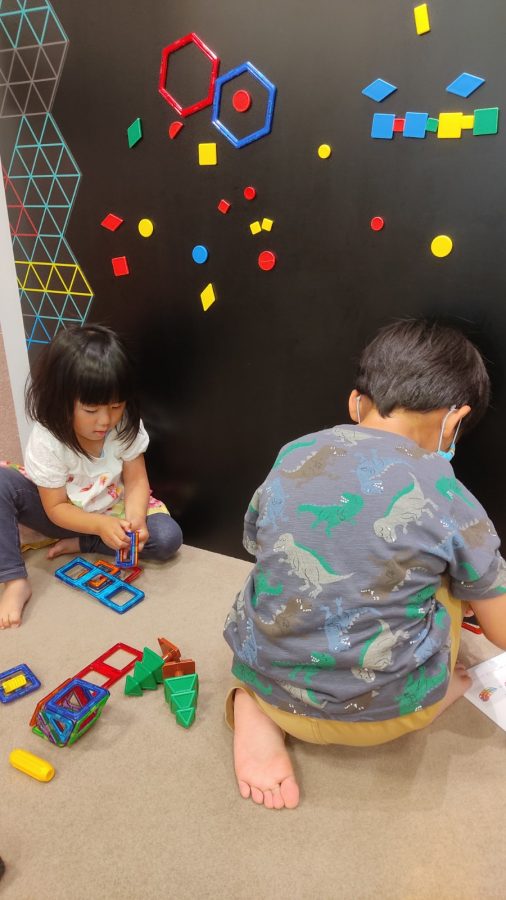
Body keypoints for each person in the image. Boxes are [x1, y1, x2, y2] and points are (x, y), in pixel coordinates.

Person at [223, 318, 506, 810]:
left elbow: (253, 540)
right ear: (455, 420)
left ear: (356, 402)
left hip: (271, 688)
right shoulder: (449, 493)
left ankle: (255, 708)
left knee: (277, 564)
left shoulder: (293, 453)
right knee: (459, 579)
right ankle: (432, 690)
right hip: (391, 717)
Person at [0, 324, 182, 629]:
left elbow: (136, 480)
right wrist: (98, 526)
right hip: (58, 512)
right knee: (2, 483)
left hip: (111, 507)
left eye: (116, 406)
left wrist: (136, 520)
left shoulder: (124, 424)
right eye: (91, 409)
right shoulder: (48, 439)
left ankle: (84, 542)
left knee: (167, 538)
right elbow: (55, 507)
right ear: (61, 402)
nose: (105, 420)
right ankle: (14, 580)